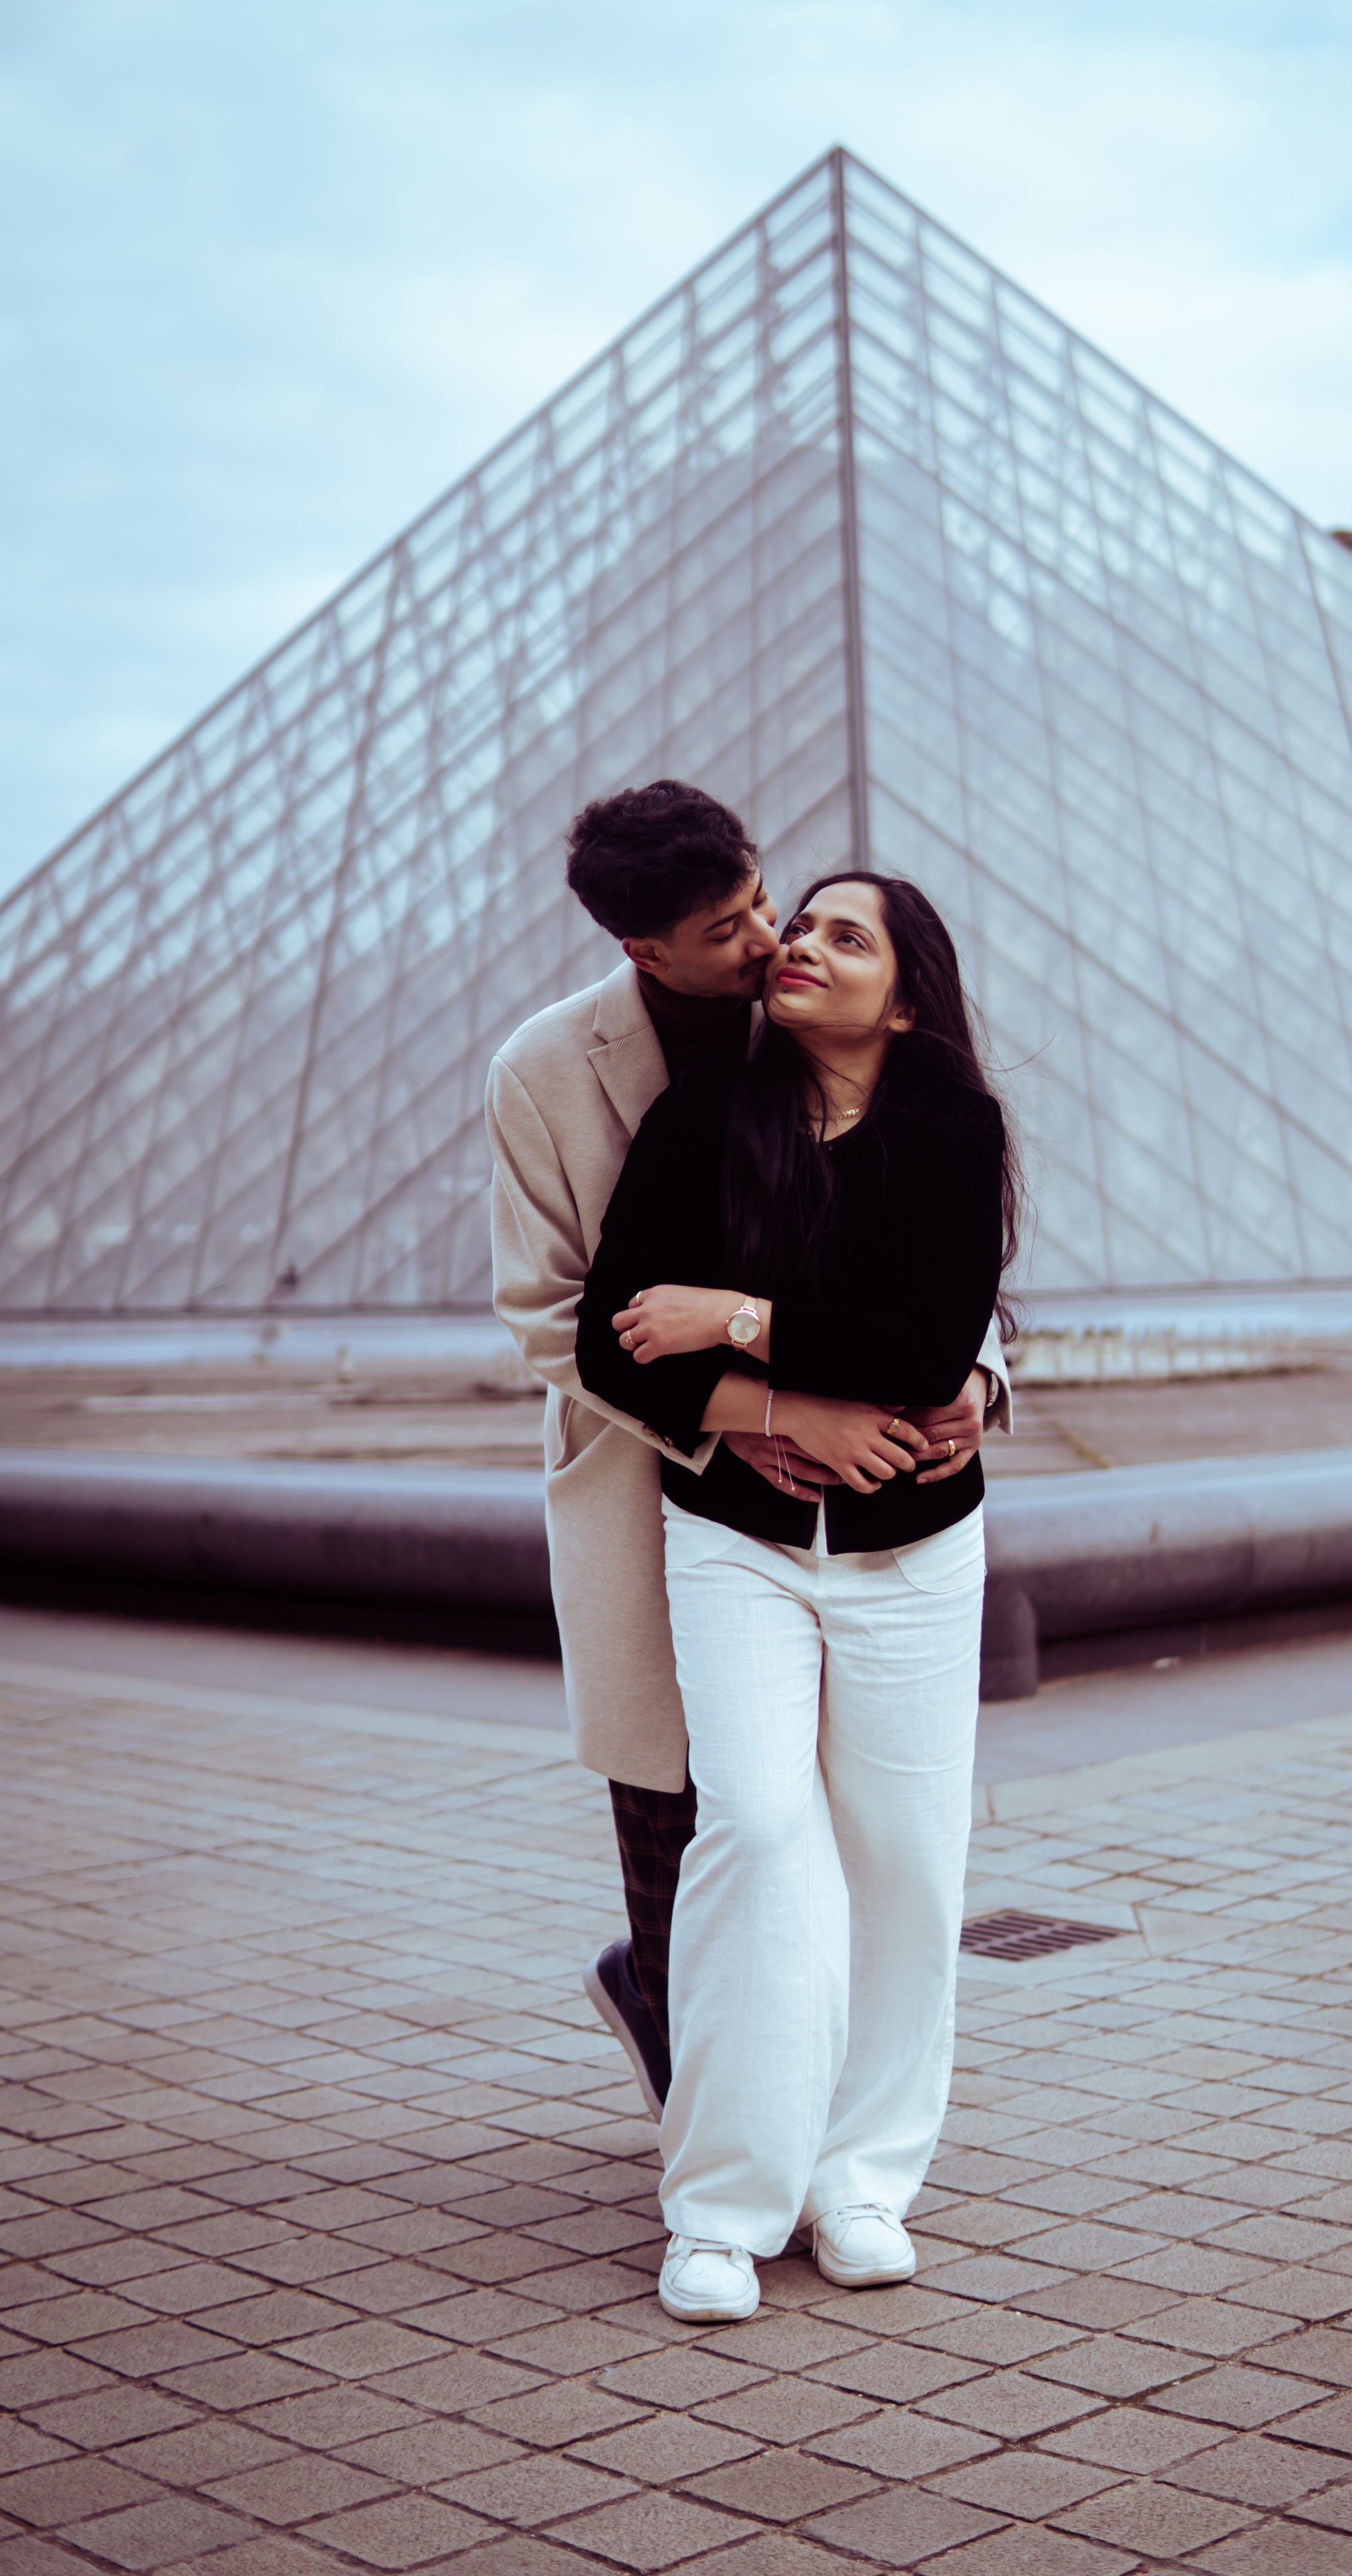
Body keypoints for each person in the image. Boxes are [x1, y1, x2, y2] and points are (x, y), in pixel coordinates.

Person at [486, 782, 1009, 2129]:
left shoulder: (850, 1050)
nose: (771, 937)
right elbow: (557, 1320)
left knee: (825, 1812)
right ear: (642, 951)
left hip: (845, 1490)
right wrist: (760, 1412)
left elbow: (935, 1255)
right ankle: (697, 2102)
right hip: (645, 1464)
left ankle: (806, 2113)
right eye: (731, 928)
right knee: (689, 1806)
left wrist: (973, 1376)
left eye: (768, 901)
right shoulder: (548, 1073)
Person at [577, 868, 1023, 2322]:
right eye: (801, 924)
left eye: (846, 935)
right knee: (758, 1831)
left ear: (904, 994)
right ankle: (717, 2203)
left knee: (904, 1857)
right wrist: (772, 1404)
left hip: (911, 1553)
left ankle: (860, 2178)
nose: (802, 948)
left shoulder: (953, 1126)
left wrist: (736, 1318)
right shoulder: (703, 1117)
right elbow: (606, 1340)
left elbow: (922, 1341)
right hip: (738, 1544)